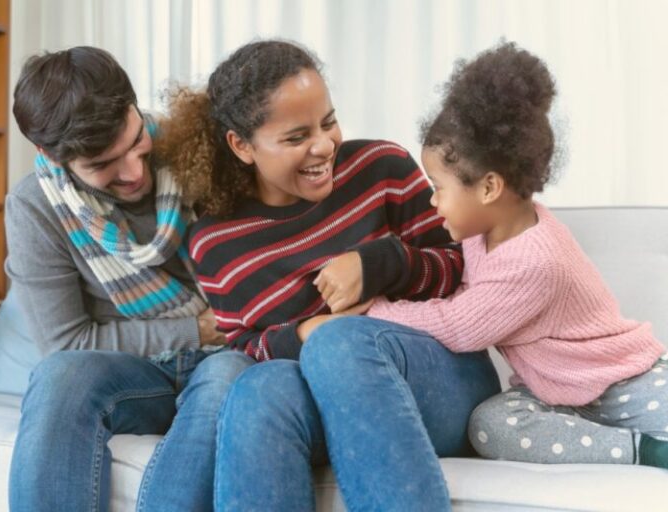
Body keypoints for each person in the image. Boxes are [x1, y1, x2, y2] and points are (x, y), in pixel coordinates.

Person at [156, 39, 501, 511]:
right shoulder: (215, 243)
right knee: (257, 389)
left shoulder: (383, 168)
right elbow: (243, 346)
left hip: (438, 383)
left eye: (329, 122)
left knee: (339, 344)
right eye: (296, 138)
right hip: (321, 403)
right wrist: (303, 332)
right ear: (242, 146)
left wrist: (383, 263)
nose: (324, 146)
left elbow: (462, 268)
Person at [365, 41, 668, 469]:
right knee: (490, 425)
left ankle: (653, 450)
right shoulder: (480, 233)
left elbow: (457, 325)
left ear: (489, 188)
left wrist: (372, 310)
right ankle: (634, 446)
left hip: (624, 382)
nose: (433, 202)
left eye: (439, 188)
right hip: (559, 396)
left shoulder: (535, 261)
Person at [6, 46, 254, 512]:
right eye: (102, 165)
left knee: (229, 378)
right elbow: (68, 345)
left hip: (230, 353)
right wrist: (195, 329)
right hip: (142, 374)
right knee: (59, 377)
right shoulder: (34, 209)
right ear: (49, 154)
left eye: (136, 141)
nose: (134, 173)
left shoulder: (194, 144)